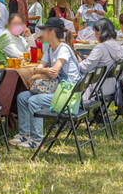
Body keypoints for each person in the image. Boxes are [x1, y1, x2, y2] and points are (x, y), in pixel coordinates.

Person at [12, 17, 82, 150]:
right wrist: (41, 72)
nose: (41, 34)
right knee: (22, 97)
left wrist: (38, 74)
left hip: (69, 95)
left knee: (34, 100)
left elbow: (53, 72)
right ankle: (24, 133)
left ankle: (37, 139)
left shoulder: (63, 49)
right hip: (59, 89)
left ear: (52, 32)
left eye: (44, 30)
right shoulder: (50, 50)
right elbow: (40, 68)